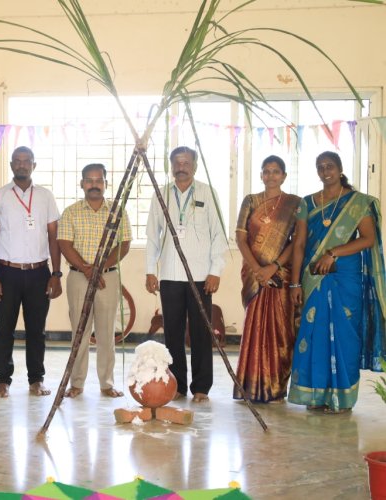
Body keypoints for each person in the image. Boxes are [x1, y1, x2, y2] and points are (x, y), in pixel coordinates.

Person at [288, 151, 386, 413]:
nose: (325, 171)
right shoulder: (307, 203)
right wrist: (295, 283)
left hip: (345, 277)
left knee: (345, 335)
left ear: (340, 169)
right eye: (320, 167)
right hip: (314, 277)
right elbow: (299, 244)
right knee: (313, 332)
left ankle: (342, 399)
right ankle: (315, 395)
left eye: (329, 166)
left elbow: (367, 239)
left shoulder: (358, 202)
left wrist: (332, 253)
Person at [145, 146, 227, 402]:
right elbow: (152, 236)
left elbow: (219, 235)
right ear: (171, 166)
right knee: (173, 333)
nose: (181, 167)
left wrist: (215, 271)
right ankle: (177, 385)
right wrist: (150, 270)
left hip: (200, 276)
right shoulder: (161, 195)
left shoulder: (207, 192)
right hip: (169, 275)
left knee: (201, 333)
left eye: (186, 162)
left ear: (195, 165)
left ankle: (201, 387)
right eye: (177, 163)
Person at [0, 146, 62, 398]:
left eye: (26, 161)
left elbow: (54, 237)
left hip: (39, 272)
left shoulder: (45, 196)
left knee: (36, 330)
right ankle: (3, 381)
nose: (21, 165)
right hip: (7, 273)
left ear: (33, 165)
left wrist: (56, 274)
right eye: (17, 161)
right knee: (4, 329)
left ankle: (36, 380)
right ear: (11, 165)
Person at [58, 163, 131, 398]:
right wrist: (87, 270)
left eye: (98, 180)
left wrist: (99, 269)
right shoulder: (70, 212)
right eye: (89, 181)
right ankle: (76, 383)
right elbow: (64, 245)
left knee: (107, 332)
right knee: (79, 331)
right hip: (79, 278)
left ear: (106, 184)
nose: (94, 185)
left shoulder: (117, 211)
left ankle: (106, 384)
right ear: (81, 184)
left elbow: (124, 244)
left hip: (108, 278)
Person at [233, 155, 300, 403]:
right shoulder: (250, 201)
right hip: (254, 275)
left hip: (280, 274)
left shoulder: (295, 204)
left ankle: (276, 387)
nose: (271, 175)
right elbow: (240, 238)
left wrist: (273, 266)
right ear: (261, 175)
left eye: (276, 171)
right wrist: (258, 269)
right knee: (255, 327)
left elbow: (296, 242)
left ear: (284, 175)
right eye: (266, 171)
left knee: (281, 330)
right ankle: (250, 385)